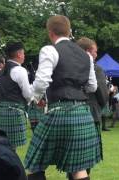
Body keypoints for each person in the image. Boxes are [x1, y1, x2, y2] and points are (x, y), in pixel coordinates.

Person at [24, 15, 100, 180]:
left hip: (59, 111)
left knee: (34, 163)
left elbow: (42, 82)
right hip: (82, 113)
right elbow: (92, 86)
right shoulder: (86, 56)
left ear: (50, 33)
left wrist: (34, 98)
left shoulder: (49, 50)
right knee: (78, 168)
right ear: (69, 31)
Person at [0, 42, 32, 148]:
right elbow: (27, 94)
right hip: (14, 111)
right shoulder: (20, 70)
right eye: (23, 53)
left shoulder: (0, 72)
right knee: (12, 148)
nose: (24, 56)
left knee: (2, 145)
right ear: (19, 54)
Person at [77, 37, 108, 161]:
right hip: (91, 112)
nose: (96, 55)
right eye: (95, 51)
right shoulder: (95, 68)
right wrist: (99, 106)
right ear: (88, 51)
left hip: (71, 112)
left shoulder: (69, 66)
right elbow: (102, 94)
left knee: (74, 157)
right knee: (86, 158)